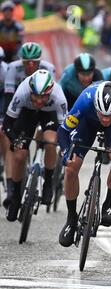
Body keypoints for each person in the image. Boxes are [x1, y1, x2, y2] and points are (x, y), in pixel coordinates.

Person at [57, 81, 111, 247]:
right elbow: (63, 130)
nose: (105, 119)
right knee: (71, 166)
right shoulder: (85, 99)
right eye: (102, 114)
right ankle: (71, 218)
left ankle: (108, 205)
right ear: (95, 106)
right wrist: (65, 150)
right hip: (87, 123)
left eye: (109, 115)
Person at [2, 69, 67, 221]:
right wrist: (15, 140)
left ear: (50, 92)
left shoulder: (59, 97)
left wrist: (65, 147)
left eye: (43, 96)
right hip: (27, 113)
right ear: (30, 90)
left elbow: (65, 129)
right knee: (19, 155)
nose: (38, 101)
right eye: (35, 96)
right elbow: (7, 123)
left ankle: (48, 182)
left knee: (51, 142)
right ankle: (16, 197)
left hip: (49, 114)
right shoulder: (22, 92)